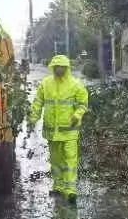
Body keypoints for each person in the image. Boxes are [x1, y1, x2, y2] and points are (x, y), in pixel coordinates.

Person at [28, 55, 89, 204]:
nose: (59, 69)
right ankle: (58, 187)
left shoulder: (76, 84)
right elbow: (38, 102)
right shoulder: (46, 83)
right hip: (52, 132)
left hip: (69, 131)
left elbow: (83, 104)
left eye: (62, 67)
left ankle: (70, 190)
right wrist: (33, 118)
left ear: (67, 68)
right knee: (55, 161)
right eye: (57, 67)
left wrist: (77, 115)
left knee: (70, 161)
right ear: (53, 67)